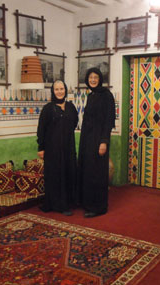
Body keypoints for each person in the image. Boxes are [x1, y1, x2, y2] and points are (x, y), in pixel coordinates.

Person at [78, 68, 116, 218]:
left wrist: (104, 141)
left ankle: (99, 207)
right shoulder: (92, 95)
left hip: (99, 140)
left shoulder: (106, 95)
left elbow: (108, 121)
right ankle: (88, 203)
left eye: (96, 77)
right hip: (88, 139)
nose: (93, 80)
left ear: (100, 79)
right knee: (88, 171)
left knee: (98, 174)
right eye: (90, 77)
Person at [37, 80, 78, 216]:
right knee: (56, 175)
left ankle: (68, 202)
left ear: (65, 90)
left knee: (68, 172)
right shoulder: (48, 109)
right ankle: (58, 205)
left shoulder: (71, 107)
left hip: (68, 147)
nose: (59, 91)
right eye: (57, 89)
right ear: (53, 91)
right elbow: (41, 129)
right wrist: (41, 148)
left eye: (62, 89)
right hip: (52, 149)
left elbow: (74, 122)